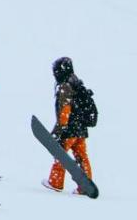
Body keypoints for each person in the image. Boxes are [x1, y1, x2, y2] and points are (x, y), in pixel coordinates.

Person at [44, 57, 96, 193]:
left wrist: (58, 131)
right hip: (81, 129)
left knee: (61, 156)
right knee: (82, 157)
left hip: (69, 129)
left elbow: (65, 110)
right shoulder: (77, 83)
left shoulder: (65, 86)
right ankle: (85, 186)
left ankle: (55, 182)